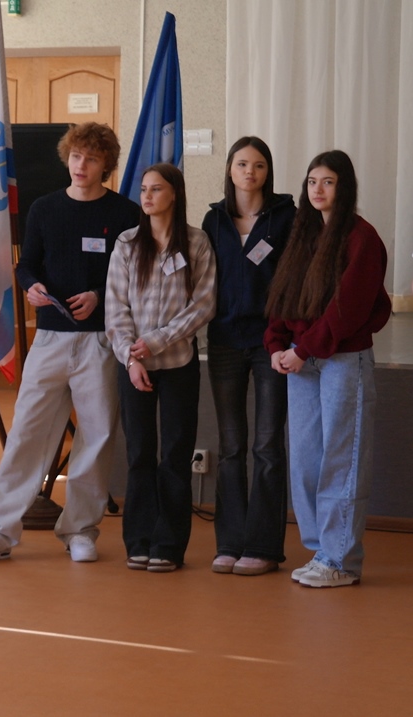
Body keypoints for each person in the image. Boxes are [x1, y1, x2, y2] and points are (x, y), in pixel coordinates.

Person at [0, 122, 140, 565]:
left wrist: (98, 295)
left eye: (92, 159)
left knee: (96, 436)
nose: (82, 165)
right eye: (76, 156)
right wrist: (31, 286)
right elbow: (27, 264)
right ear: (67, 157)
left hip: (101, 340)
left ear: (106, 165)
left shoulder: (125, 213)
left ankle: (80, 529)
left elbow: (132, 277)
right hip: (49, 338)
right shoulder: (44, 208)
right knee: (27, 431)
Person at [265, 150, 391, 588]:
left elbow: (349, 308)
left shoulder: (362, 238)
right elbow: (284, 295)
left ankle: (340, 560)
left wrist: (304, 349)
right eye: (312, 181)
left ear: (345, 187)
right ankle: (322, 550)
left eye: (328, 181)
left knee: (343, 458)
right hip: (301, 360)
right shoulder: (303, 234)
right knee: (305, 459)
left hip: (342, 360)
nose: (318, 189)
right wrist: (276, 344)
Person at [105, 163, 215, 573]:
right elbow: (115, 307)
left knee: (175, 453)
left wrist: (157, 341)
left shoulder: (197, 242)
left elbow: (203, 304)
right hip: (133, 366)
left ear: (175, 194)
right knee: (139, 452)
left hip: (178, 363)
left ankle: (168, 545)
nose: (147, 196)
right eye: (144, 190)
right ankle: (138, 540)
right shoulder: (127, 243)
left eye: (156, 189)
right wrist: (131, 357)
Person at [201, 137, 295, 576]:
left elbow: (294, 280)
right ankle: (230, 542)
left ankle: (263, 547)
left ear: (267, 171)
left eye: (258, 165)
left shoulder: (286, 216)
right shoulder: (214, 219)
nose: (249, 172)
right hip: (224, 341)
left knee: (267, 446)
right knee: (231, 446)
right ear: (230, 169)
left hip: (270, 343)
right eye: (242, 164)